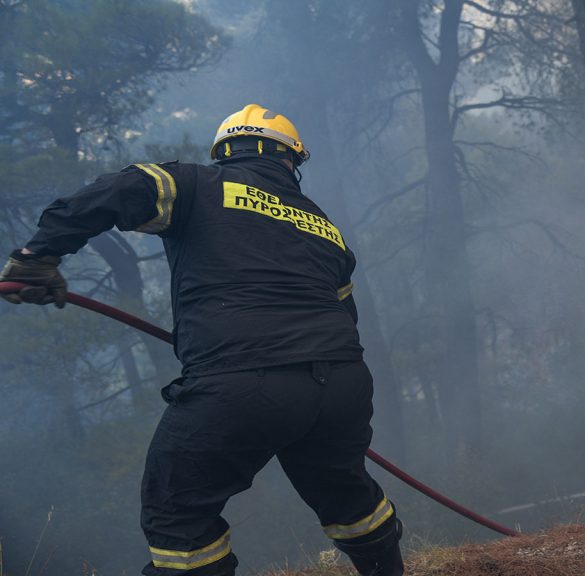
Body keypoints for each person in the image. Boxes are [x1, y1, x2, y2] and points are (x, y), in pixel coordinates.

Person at [0, 104, 404, 576]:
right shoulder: (322, 226)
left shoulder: (194, 184)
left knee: (178, 511)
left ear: (225, 154)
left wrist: (39, 256)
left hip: (242, 379)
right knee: (346, 491)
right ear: (291, 162)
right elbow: (345, 315)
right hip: (341, 383)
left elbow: (118, 189)